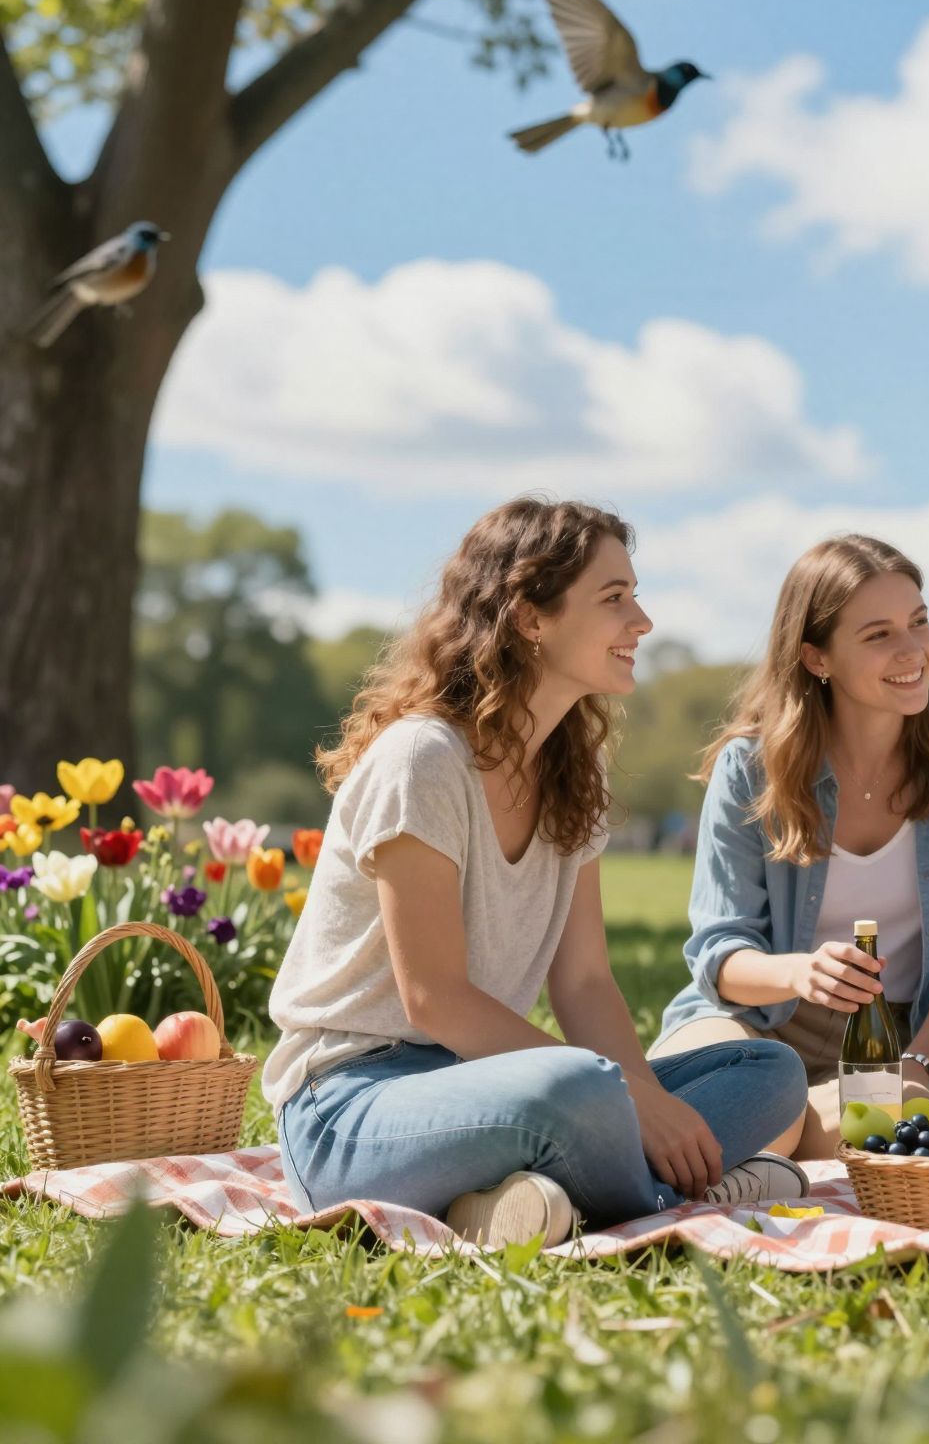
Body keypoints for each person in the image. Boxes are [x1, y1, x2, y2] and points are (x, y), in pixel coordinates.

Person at [265, 500, 809, 1249]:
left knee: (770, 1070)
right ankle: (674, 1193)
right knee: (579, 1085)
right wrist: (626, 1099)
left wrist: (646, 1100)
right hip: (348, 1110)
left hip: (489, 1085)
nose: (642, 621)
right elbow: (434, 1000)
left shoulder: (574, 773)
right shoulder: (424, 759)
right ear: (529, 618)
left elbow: (583, 983)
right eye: (614, 598)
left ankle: (533, 1202)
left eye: (635, 595)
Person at [650, 535, 929, 1158]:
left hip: (897, 1040)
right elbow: (719, 954)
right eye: (878, 635)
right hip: (752, 1022)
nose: (913, 651)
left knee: (871, 1126)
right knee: (751, 1107)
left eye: (919, 622)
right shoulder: (750, 766)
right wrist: (801, 972)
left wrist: (918, 1065)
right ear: (816, 657)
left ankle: (766, 1153)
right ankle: (765, 1141)